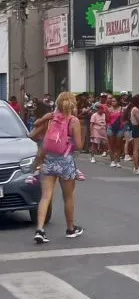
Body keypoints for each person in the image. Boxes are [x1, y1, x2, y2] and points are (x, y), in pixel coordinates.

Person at [31, 92, 83, 243]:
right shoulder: (73, 121)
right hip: (66, 161)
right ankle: (70, 228)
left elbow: (36, 129)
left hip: (48, 160)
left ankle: (40, 229)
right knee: (68, 196)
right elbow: (79, 145)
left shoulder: (50, 117)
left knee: (46, 196)